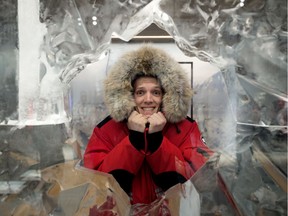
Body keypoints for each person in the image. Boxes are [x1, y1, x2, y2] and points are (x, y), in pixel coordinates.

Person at [83, 45, 213, 204]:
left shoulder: (186, 128)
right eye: (140, 92)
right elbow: (96, 185)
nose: (148, 99)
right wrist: (133, 141)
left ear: (166, 96)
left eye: (156, 92)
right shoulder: (106, 130)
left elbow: (202, 182)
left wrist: (157, 142)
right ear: (129, 96)